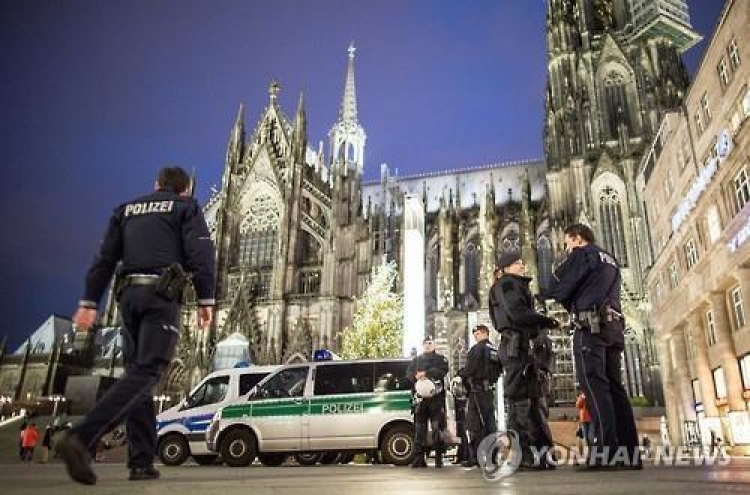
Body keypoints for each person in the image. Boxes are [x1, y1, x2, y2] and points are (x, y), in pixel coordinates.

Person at [58, 167, 216, 485]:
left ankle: (141, 461)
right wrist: (205, 300)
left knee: (139, 377)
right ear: (185, 190)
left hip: (127, 297)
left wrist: (89, 302)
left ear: (156, 185)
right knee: (148, 371)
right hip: (160, 295)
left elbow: (103, 259)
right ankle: (81, 436)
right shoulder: (186, 207)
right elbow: (202, 254)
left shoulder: (126, 209)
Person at [542, 223, 640, 470]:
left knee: (595, 388)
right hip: (614, 328)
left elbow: (556, 287)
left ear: (577, 239)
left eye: (567, 242)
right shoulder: (610, 259)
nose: (566, 248)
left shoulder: (582, 255)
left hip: (591, 328)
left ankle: (606, 453)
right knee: (616, 389)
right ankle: (630, 455)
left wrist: (570, 302)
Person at [490, 251, 559, 470]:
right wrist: (545, 320)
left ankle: (541, 455)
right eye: (518, 263)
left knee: (532, 400)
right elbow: (518, 314)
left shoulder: (514, 285)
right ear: (506, 267)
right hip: (515, 348)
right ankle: (527, 456)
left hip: (521, 348)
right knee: (522, 402)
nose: (522, 265)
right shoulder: (507, 285)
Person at [458, 324, 502, 468]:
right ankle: (493, 456)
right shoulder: (494, 349)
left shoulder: (477, 349)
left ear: (484, 333)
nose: (475, 336)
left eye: (477, 333)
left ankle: (476, 457)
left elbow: (470, 369)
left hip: (477, 391)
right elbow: (499, 369)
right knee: (490, 423)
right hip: (489, 390)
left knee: (474, 425)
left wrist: (461, 375)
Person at [407, 336, 450, 468]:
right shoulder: (417, 360)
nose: (428, 345)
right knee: (420, 429)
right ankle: (419, 458)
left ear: (434, 345)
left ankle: (438, 457)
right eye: (425, 343)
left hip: (436, 400)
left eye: (430, 343)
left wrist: (427, 373)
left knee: (437, 429)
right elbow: (408, 373)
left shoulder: (440, 359)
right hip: (421, 401)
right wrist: (416, 376)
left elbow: (443, 371)